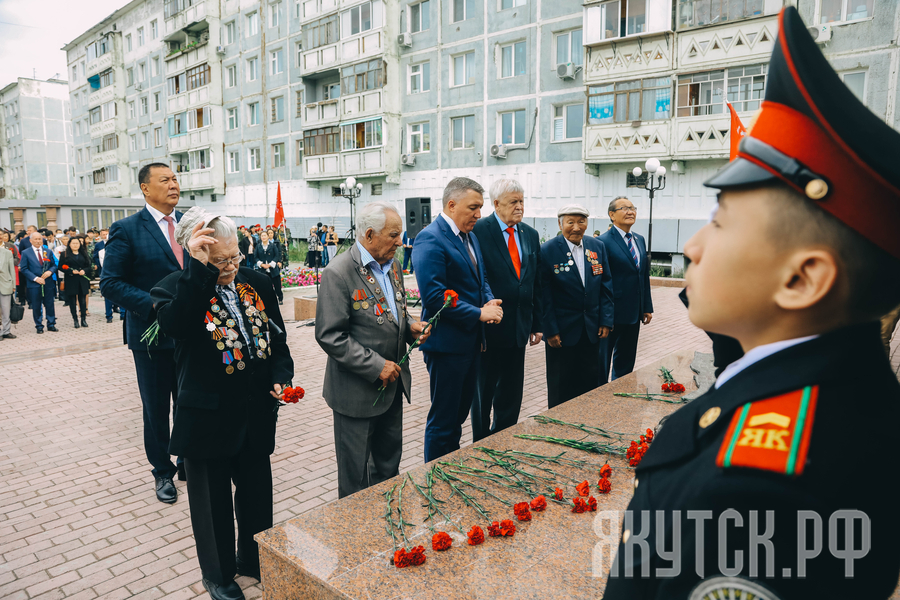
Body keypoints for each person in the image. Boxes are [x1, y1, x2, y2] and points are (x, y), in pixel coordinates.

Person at [603, 8, 900, 598]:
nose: (691, 246)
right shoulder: (849, 398)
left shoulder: (754, 485)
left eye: (720, 222)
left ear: (802, 279)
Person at [151, 207, 294, 600]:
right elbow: (178, 325)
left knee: (255, 493)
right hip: (207, 419)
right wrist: (198, 272)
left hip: (254, 412)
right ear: (195, 254)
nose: (230, 267)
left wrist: (282, 377)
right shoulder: (173, 288)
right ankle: (218, 574)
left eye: (235, 257)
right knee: (211, 504)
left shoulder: (258, 282)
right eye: (219, 261)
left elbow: (277, 339)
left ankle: (253, 559)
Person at [315, 202, 432, 498]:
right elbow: (330, 336)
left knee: (388, 468)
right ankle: (354, 538)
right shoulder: (338, 272)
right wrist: (375, 365)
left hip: (392, 388)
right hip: (356, 395)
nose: (399, 242)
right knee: (355, 479)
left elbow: (393, 315)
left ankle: (384, 524)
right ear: (369, 234)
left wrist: (410, 329)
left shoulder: (392, 266)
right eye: (393, 235)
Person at [100, 162, 189, 504]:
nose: (173, 185)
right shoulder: (127, 229)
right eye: (164, 180)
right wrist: (155, 305)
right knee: (156, 408)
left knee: (189, 400)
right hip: (151, 335)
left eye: (175, 179)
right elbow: (110, 283)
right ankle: (162, 472)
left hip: (191, 334)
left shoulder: (188, 224)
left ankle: (187, 461)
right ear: (145, 189)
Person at [412, 177, 503, 462]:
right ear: (451, 205)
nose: (479, 214)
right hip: (447, 347)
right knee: (444, 421)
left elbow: (480, 278)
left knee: (458, 416)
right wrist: (479, 313)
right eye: (473, 207)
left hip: (471, 344)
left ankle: (449, 468)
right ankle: (435, 478)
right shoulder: (430, 238)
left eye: (481, 207)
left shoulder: (470, 236)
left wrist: (487, 298)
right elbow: (435, 296)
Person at [470, 179, 543, 441]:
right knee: (483, 392)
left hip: (519, 328)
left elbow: (536, 283)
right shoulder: (477, 231)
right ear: (496, 203)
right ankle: (480, 442)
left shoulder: (530, 234)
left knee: (512, 392)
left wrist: (537, 324)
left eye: (522, 201)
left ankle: (503, 438)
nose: (520, 206)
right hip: (489, 328)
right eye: (514, 201)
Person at [540, 205, 614, 408]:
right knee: (560, 386)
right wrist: (550, 330)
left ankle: (586, 418)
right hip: (561, 333)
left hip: (591, 329)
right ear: (560, 224)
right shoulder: (547, 250)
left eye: (581, 221)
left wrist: (606, 320)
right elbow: (544, 295)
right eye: (570, 222)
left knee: (590, 381)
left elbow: (606, 285)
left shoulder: (597, 246)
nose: (576, 227)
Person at [598, 196, 653, 381]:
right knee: (602, 361)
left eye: (633, 208)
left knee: (626, 360)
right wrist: (603, 314)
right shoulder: (602, 242)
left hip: (633, 313)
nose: (631, 212)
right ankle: (598, 396)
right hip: (611, 314)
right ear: (612, 215)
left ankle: (620, 392)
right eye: (625, 208)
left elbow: (643, 275)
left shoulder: (639, 239)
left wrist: (646, 307)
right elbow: (600, 280)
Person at [19, 232, 59, 334]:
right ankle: (39, 325)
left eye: (39, 239)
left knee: (49, 304)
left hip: (47, 282)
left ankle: (51, 324)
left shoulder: (48, 251)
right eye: (35, 239)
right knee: (36, 305)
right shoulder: (26, 253)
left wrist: (50, 271)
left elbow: (54, 265)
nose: (38, 241)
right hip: (34, 284)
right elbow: (24, 268)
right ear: (30, 241)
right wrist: (35, 278)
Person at [59, 237, 93, 328]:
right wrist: (71, 271)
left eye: (77, 243)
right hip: (71, 279)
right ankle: (75, 319)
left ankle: (83, 319)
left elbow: (89, 266)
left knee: (82, 300)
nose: (75, 245)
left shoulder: (84, 253)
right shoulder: (64, 254)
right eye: (73, 243)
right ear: (69, 244)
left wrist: (84, 271)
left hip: (82, 279)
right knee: (72, 300)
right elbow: (61, 267)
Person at [254, 230, 283, 305]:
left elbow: (277, 255)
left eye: (265, 235)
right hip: (263, 270)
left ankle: (280, 298)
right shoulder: (258, 246)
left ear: (268, 236)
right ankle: (267, 300)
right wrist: (261, 264)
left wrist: (271, 264)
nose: (263, 237)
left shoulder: (272, 245)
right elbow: (256, 257)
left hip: (273, 269)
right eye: (262, 236)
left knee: (277, 286)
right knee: (265, 286)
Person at [0, 239, 15, 340]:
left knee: (6, 310)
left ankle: (6, 331)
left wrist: (13, 285)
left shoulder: (7, 252)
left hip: (5, 284)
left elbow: (11, 270)